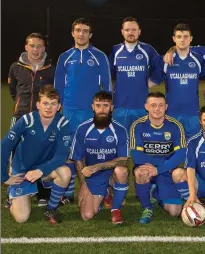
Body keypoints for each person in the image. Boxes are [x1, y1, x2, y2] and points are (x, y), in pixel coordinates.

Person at [54, 18, 112, 203]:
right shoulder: (65, 57)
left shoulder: (99, 56)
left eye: (85, 31)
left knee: (96, 151)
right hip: (70, 110)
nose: (81, 34)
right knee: (70, 152)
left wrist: (106, 108)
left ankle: (101, 190)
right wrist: (58, 108)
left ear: (90, 34)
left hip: (92, 111)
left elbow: (107, 84)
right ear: (72, 33)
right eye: (78, 30)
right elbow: (58, 85)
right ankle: (69, 193)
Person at [1, 86, 72, 224]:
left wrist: (40, 170)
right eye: (45, 103)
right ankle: (12, 200)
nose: (48, 107)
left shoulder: (63, 124)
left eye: (53, 104)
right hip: (23, 170)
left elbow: (60, 157)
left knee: (65, 173)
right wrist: (4, 177)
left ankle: (51, 209)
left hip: (44, 168)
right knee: (21, 218)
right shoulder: (27, 120)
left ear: (59, 107)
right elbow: (4, 146)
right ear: (38, 105)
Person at [8, 32, 55, 206]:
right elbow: (13, 90)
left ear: (44, 48)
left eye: (39, 46)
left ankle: (42, 192)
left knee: (42, 155)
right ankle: (15, 192)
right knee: (16, 157)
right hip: (20, 118)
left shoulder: (51, 68)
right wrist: (21, 106)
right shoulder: (15, 67)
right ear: (26, 47)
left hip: (42, 119)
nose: (36, 50)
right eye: (32, 46)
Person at [69, 91, 129, 224]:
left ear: (111, 108)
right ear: (92, 107)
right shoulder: (83, 129)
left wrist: (99, 166)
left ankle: (115, 210)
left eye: (105, 105)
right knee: (87, 215)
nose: (102, 110)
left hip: (111, 173)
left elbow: (123, 160)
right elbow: (77, 158)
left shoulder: (120, 130)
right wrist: (83, 184)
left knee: (122, 171)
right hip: (92, 176)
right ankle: (105, 195)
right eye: (98, 105)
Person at [130, 91, 187, 224]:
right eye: (153, 105)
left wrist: (160, 168)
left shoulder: (175, 125)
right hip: (149, 168)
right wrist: (159, 167)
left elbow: (181, 154)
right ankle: (147, 207)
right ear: (146, 106)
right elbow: (137, 156)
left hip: (167, 171)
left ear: (166, 107)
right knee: (140, 172)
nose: (157, 109)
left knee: (174, 212)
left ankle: (156, 194)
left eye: (161, 105)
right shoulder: (138, 126)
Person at [109, 17, 162, 132]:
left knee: (141, 141)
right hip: (120, 106)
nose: (130, 33)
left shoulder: (148, 50)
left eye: (134, 30)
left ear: (139, 31)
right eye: (127, 30)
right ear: (122, 32)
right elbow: (108, 74)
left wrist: (151, 82)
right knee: (121, 139)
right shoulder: (115, 50)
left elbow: (160, 66)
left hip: (142, 105)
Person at [153, 24, 204, 139]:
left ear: (191, 39)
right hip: (171, 112)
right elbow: (154, 80)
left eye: (186, 36)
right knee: (172, 145)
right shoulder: (165, 59)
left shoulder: (199, 58)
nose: (182, 40)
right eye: (179, 36)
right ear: (174, 39)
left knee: (192, 146)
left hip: (192, 113)